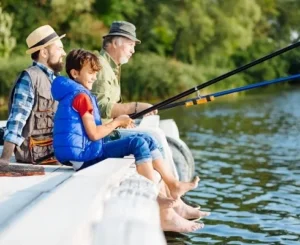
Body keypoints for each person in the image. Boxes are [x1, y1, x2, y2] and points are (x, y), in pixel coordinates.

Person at [51, 49, 202, 220]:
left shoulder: (71, 93)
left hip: (81, 152)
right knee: (137, 143)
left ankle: (172, 185)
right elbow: (93, 134)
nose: (94, 77)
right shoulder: (81, 97)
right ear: (75, 73)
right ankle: (154, 194)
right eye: (91, 72)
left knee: (144, 140)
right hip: (83, 156)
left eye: (96, 72)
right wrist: (117, 122)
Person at [92, 21, 210, 232]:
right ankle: (171, 197)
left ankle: (174, 197)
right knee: (153, 133)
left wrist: (139, 111)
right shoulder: (101, 67)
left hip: (112, 128)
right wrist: (138, 106)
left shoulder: (112, 67)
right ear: (116, 42)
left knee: (154, 133)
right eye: (131, 44)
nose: (134, 49)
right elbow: (101, 108)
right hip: (104, 132)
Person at [0, 25, 66, 169]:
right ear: (44, 52)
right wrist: (5, 159)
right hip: (34, 160)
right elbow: (17, 120)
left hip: (54, 157)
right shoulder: (29, 77)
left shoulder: (57, 79)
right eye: (59, 48)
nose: (64, 53)